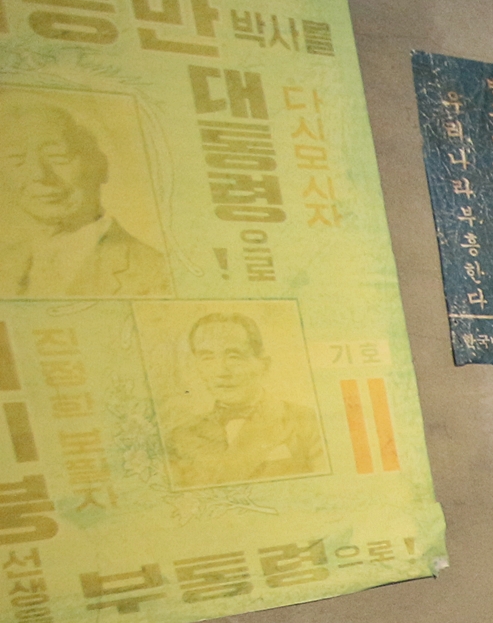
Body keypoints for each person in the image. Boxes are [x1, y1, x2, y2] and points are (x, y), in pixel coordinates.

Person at [0, 96, 170, 298]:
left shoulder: (156, 271)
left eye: (58, 156)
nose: (38, 174)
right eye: (16, 159)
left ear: (100, 166)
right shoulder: (7, 261)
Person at [158, 312, 327, 488]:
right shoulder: (180, 438)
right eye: (207, 358)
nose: (221, 372)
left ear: (264, 365)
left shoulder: (306, 422)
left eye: (234, 357)